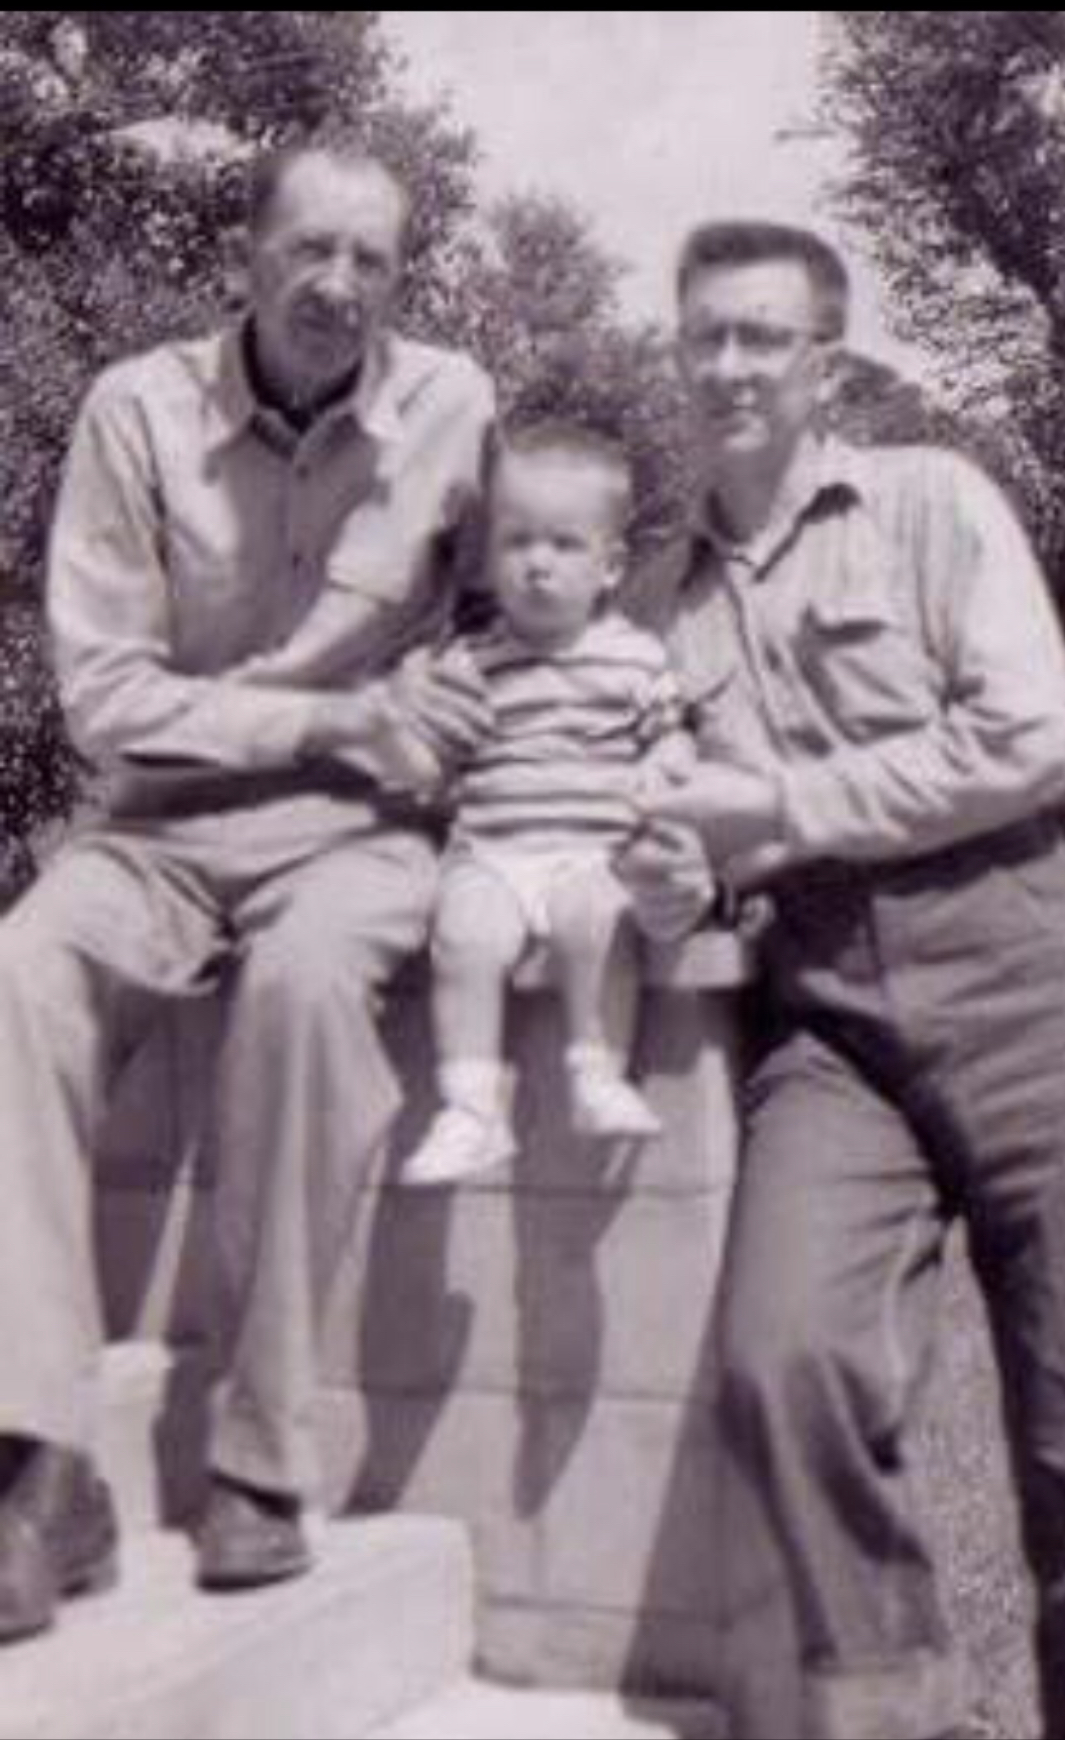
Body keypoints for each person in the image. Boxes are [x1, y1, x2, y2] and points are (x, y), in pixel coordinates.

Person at [631, 220, 1065, 1740]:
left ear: (824, 365)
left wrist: (779, 808)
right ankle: (903, 1718)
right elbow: (672, 832)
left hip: (1022, 972)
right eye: (705, 336)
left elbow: (1031, 743)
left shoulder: (931, 504)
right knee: (782, 1362)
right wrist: (666, 874)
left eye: (763, 337)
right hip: (826, 1024)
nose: (730, 366)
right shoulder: (652, 607)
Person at [0, 143, 494, 1640]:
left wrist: (492, 732)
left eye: (372, 260)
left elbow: (513, 620)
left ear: (399, 281)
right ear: (246, 258)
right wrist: (330, 715)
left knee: (306, 988)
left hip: (357, 834)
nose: (338, 285)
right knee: (15, 977)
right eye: (309, 251)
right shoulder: (133, 412)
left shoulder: (454, 407)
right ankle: (38, 1468)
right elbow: (104, 700)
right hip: (158, 827)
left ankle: (260, 1466)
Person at [396, 422, 690, 1186]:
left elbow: (670, 739)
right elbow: (435, 763)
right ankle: (471, 1108)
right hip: (491, 852)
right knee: (463, 932)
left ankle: (597, 1072)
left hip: (588, 854)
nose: (537, 563)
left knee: (600, 918)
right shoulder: (470, 663)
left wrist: (663, 769)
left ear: (609, 565)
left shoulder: (635, 659)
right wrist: (416, 763)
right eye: (518, 542)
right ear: (491, 557)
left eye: (564, 545)